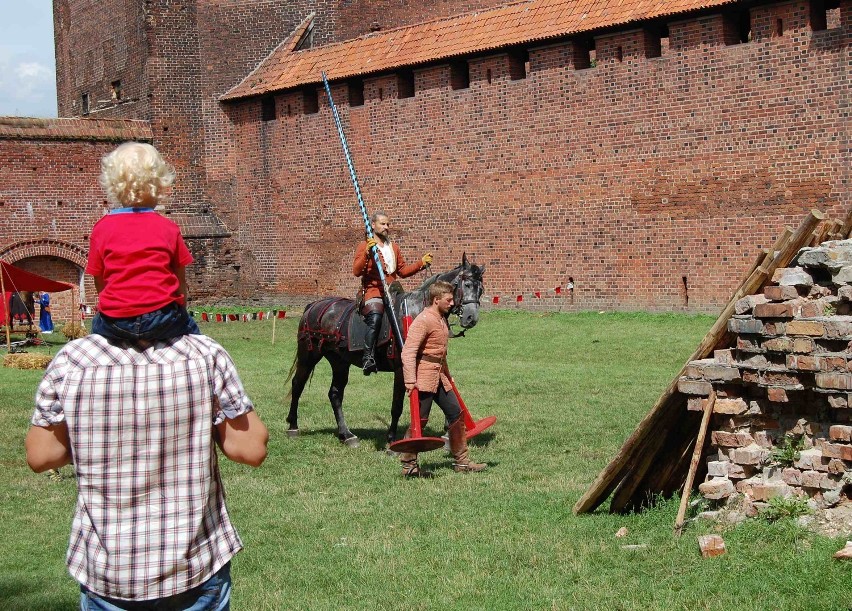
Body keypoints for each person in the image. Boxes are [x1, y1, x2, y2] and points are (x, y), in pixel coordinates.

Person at [25, 332, 269, 609]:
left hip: (109, 571)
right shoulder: (204, 353)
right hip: (194, 566)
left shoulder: (73, 358)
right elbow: (251, 449)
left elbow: (42, 455)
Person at [86, 141, 199, 342]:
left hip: (115, 321)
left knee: (94, 330)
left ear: (113, 185)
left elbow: (99, 280)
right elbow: (180, 280)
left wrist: (115, 306)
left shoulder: (101, 228)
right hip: (162, 317)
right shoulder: (168, 228)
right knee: (196, 339)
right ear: (159, 185)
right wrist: (181, 308)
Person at [398, 280, 486, 477]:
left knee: (456, 413)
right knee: (419, 420)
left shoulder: (440, 319)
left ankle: (462, 462)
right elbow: (408, 352)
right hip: (422, 377)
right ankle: (409, 465)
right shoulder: (424, 320)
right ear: (436, 300)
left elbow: (440, 353)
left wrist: (448, 374)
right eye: (448, 299)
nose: (452, 303)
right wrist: (410, 380)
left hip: (439, 375)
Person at [353, 211, 432, 374]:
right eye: (383, 224)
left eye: (388, 224)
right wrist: (367, 253)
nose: (386, 227)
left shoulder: (393, 247)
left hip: (393, 291)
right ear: (373, 225)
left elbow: (402, 271)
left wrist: (421, 263)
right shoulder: (365, 246)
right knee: (375, 317)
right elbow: (356, 271)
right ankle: (368, 357)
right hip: (373, 291)